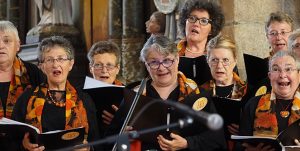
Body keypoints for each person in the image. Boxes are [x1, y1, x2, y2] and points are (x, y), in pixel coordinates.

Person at [107, 35, 226, 150]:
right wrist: (123, 136)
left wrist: (187, 143)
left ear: (177, 59)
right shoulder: (134, 96)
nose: (161, 67)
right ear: (146, 65)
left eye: (167, 60)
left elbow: (216, 138)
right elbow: (108, 138)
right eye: (154, 62)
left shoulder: (197, 94)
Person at [12, 36, 99, 151]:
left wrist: (88, 148)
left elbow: (97, 142)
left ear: (71, 64)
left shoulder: (85, 100)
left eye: (61, 59)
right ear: (42, 66)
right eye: (49, 60)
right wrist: (24, 145)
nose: (55, 64)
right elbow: (11, 139)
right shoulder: (26, 98)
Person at [239, 51, 300, 150]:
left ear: (299, 75)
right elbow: (241, 145)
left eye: (288, 69)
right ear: (270, 76)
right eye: (276, 69)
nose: (282, 75)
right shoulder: (253, 104)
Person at [201, 35, 253, 150]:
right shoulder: (199, 93)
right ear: (208, 61)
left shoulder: (249, 92)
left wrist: (245, 130)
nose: (219, 66)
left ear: (234, 61)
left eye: (225, 60)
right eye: (214, 60)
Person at [0, 20, 45, 151]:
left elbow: (46, 107)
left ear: (18, 45)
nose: (1, 46)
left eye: (7, 41)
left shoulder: (32, 73)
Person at [177, 0, 225, 85]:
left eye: (203, 21)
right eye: (192, 18)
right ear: (185, 23)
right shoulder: (171, 53)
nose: (196, 24)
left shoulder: (219, 54)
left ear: (211, 29)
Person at [248, 11, 294, 96]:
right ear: (267, 37)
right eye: (273, 33)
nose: (279, 37)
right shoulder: (258, 67)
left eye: (283, 32)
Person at [87, 41, 123, 138]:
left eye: (109, 65)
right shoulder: (77, 94)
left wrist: (121, 122)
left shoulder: (129, 95)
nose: (104, 70)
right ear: (91, 68)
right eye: (98, 65)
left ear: (117, 68)